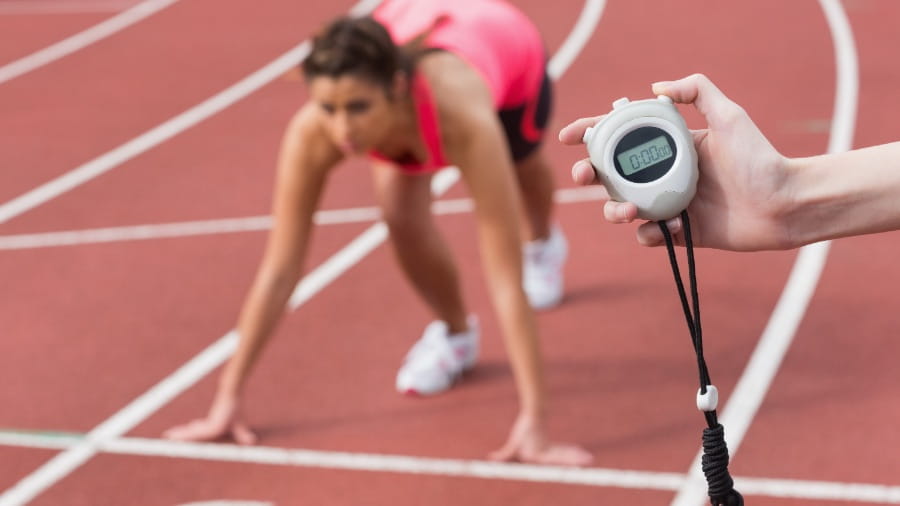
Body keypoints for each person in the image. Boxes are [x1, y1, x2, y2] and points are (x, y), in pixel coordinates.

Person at [164, 0, 592, 466]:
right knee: (400, 216)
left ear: (396, 86)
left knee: (522, 165)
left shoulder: (464, 117)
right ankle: (455, 335)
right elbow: (280, 269)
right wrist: (227, 398)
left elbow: (503, 278)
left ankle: (544, 245)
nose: (343, 129)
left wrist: (536, 420)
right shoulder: (316, 132)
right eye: (328, 107)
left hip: (505, 46)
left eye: (357, 108)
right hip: (410, 35)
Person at [560, 73, 900, 252]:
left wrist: (789, 199)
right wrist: (785, 199)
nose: (647, 159)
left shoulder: (613, 137)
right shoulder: (662, 115)